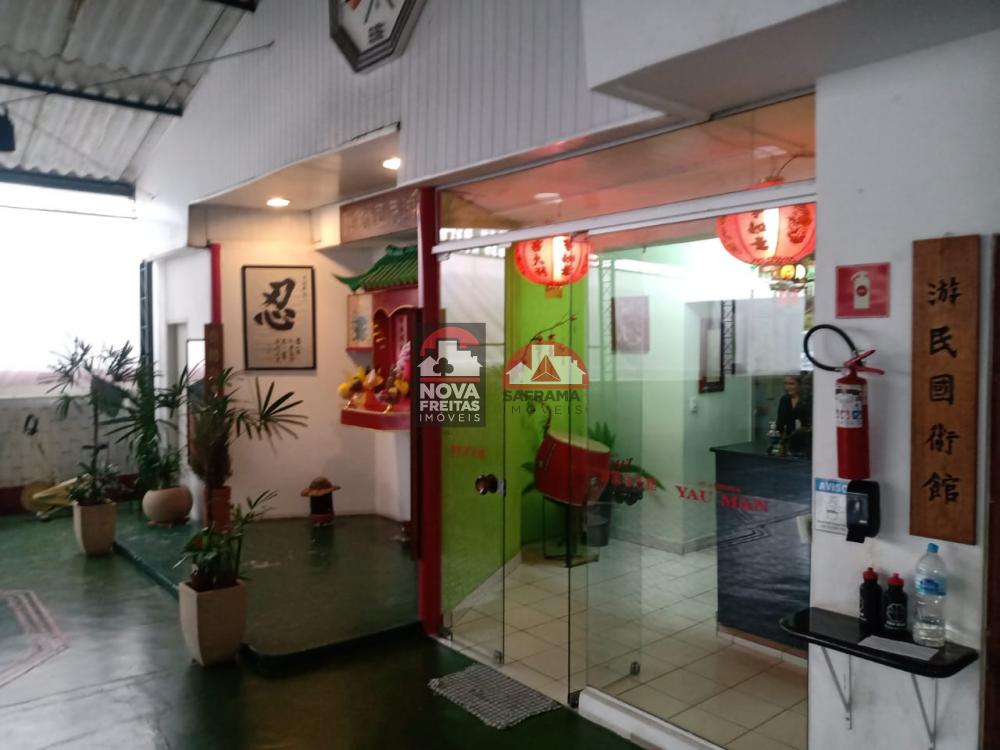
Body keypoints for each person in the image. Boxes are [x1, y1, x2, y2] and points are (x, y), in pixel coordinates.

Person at [777, 373, 811, 455]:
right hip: (788, 443)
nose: (787, 387)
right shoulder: (784, 400)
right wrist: (781, 444)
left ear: (800, 385)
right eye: (786, 384)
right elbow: (780, 423)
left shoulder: (807, 400)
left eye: (791, 384)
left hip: (805, 443)